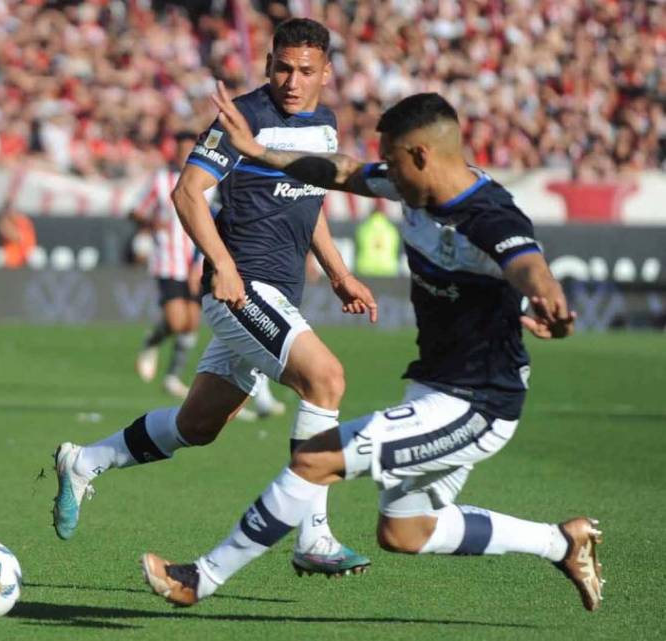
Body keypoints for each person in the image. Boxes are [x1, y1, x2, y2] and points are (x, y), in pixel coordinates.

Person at [141, 88, 603, 612]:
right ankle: (561, 542)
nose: (384, 171)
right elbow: (341, 172)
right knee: (405, 531)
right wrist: (257, 151)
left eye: (392, 160)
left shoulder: (488, 216)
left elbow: (526, 262)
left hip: (477, 403)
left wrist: (548, 296)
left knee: (316, 459)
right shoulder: (413, 186)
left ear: (421, 156)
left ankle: (200, 578)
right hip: (433, 383)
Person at [52, 18, 378, 579]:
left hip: (280, 291)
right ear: (268, 63)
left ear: (327, 72)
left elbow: (310, 201)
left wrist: (339, 271)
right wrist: (224, 267)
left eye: (304, 71)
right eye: (281, 67)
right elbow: (187, 193)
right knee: (326, 379)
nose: (291, 81)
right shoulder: (243, 118)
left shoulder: (324, 125)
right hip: (242, 288)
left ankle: (83, 462)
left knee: (197, 426)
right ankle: (315, 536)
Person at [132, 131, 207, 399]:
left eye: (191, 148)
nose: (186, 153)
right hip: (168, 260)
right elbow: (137, 211)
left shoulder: (208, 181)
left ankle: (173, 377)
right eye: (182, 149)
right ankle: (153, 340)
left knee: (192, 322)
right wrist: (152, 223)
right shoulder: (161, 179)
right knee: (177, 321)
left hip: (198, 262)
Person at [354, 209, 401, 277]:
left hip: (366, 269)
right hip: (388, 269)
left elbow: (358, 247)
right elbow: (395, 248)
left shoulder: (363, 228)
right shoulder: (391, 229)